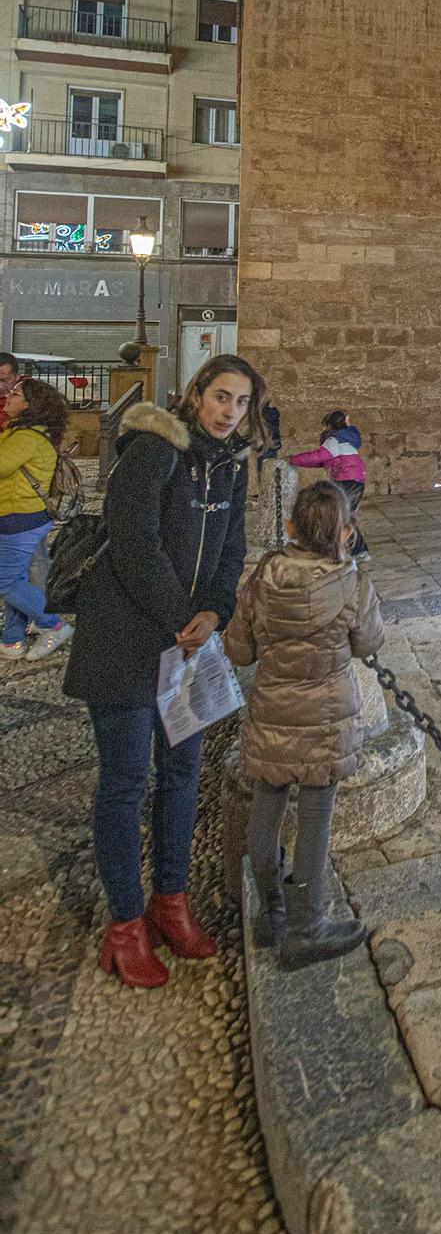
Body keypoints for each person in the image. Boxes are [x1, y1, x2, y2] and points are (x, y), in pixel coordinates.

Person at [63, 355, 267, 988]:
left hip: (187, 647)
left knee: (181, 779)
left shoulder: (229, 468)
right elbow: (132, 544)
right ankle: (125, 925)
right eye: (221, 396)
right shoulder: (153, 452)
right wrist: (185, 614)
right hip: (125, 642)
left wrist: (215, 609)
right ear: (196, 393)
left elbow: (230, 546)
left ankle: (170, 902)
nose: (230, 411)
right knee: (125, 784)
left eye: (241, 402)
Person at [224, 481, 384, 970]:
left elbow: (239, 649)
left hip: (272, 712)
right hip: (326, 719)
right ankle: (307, 925)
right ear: (346, 532)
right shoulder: (353, 583)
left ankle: (268, 912)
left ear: (290, 528)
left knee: (267, 804)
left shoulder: (264, 577)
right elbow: (368, 643)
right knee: (316, 813)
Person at [0, 376, 73, 663]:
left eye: (16, 393)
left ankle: (53, 625)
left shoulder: (28, 436)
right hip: (18, 516)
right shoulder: (20, 431)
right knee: (16, 579)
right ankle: (12, 640)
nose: (8, 396)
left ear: (30, 404)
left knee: (5, 581)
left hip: (22, 518)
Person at [290, 410, 368, 556]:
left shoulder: (335, 440)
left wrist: (292, 459)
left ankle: (357, 550)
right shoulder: (346, 438)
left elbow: (318, 456)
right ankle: (355, 550)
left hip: (346, 480)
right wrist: (298, 462)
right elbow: (323, 461)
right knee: (344, 515)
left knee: (342, 515)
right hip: (354, 480)